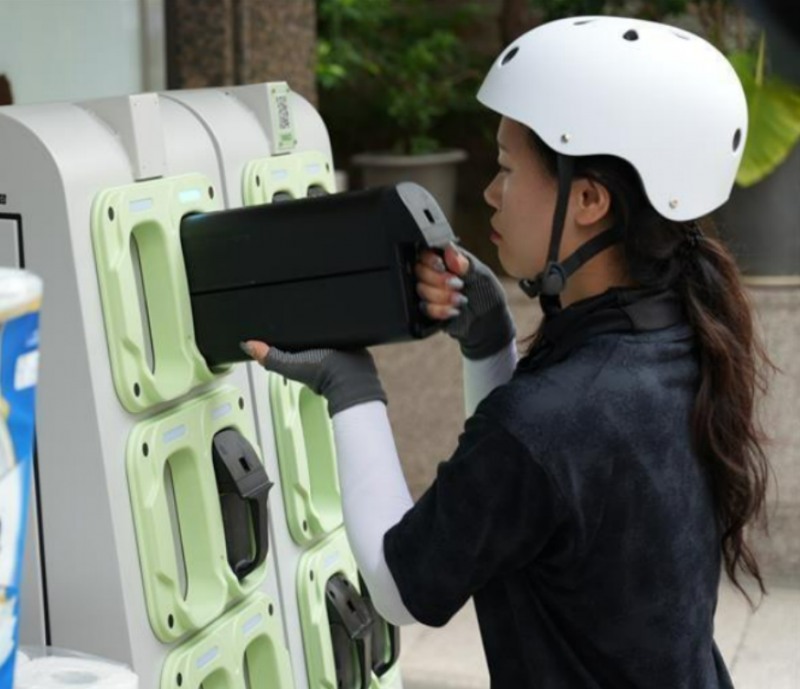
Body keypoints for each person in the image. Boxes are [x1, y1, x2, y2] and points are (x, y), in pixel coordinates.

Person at [242, 15, 772, 687]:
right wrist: (489, 343)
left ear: (587, 199)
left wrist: (350, 386)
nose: (491, 192)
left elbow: (398, 585)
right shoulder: (685, 337)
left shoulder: (549, 418)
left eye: (506, 167)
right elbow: (535, 488)